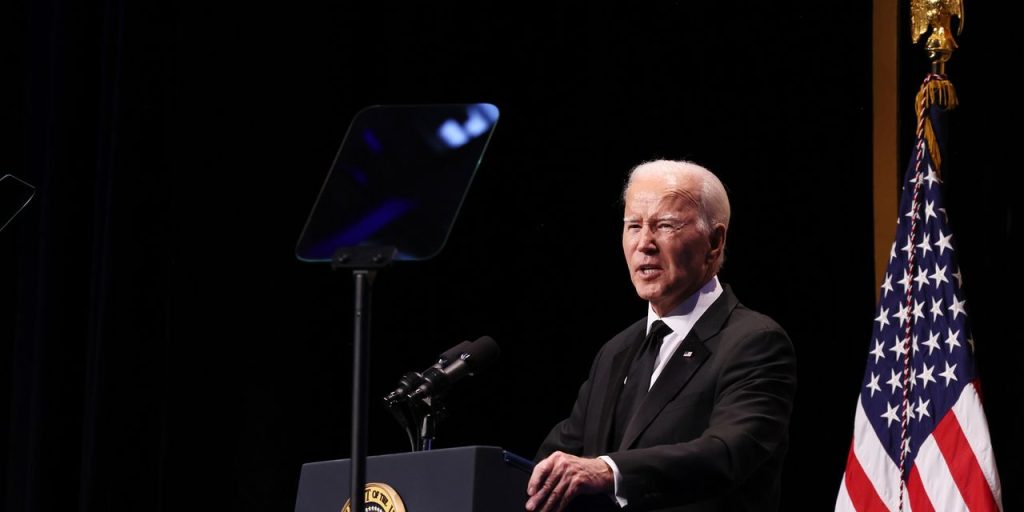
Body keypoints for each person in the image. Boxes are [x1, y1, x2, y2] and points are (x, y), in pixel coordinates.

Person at [526, 160, 797, 512]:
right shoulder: (615, 351)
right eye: (634, 226)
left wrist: (609, 471)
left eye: (665, 225)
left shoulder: (754, 342)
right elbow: (555, 461)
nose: (644, 244)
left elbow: (727, 453)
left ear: (714, 242)